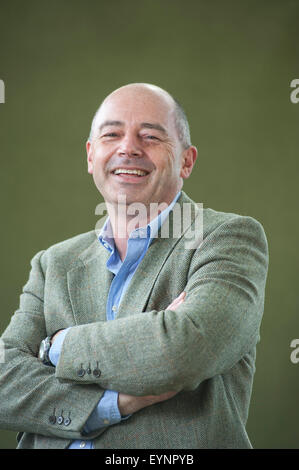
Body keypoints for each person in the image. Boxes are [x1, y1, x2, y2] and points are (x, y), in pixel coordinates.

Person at [0, 83, 269, 449]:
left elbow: (183, 351)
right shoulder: (53, 263)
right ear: (91, 156)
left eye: (151, 136)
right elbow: (5, 381)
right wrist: (116, 402)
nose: (128, 148)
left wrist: (54, 349)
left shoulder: (227, 238)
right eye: (112, 134)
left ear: (187, 161)